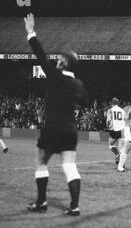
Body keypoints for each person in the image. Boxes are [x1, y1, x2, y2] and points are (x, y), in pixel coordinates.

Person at [24, 13, 89, 216]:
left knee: (42, 162)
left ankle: (42, 202)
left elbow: (40, 55)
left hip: (52, 127)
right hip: (70, 130)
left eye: (59, 60)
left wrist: (30, 32)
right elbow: (85, 102)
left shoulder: (54, 76)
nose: (56, 61)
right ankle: (75, 206)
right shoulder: (79, 84)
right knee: (69, 166)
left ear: (63, 64)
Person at [106, 98, 126, 165]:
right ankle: (121, 163)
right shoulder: (122, 110)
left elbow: (108, 120)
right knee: (122, 149)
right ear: (118, 103)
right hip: (122, 131)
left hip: (113, 130)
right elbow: (125, 121)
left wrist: (108, 126)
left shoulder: (110, 110)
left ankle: (117, 155)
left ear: (111, 103)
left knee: (111, 144)